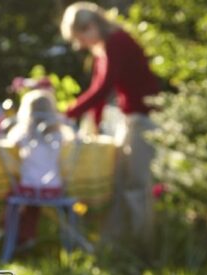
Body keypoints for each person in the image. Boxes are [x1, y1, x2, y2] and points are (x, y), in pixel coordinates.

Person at [61, 1, 160, 254]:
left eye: (80, 37)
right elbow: (100, 92)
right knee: (117, 181)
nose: (81, 44)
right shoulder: (103, 48)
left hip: (144, 119)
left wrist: (68, 113)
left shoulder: (117, 42)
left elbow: (103, 87)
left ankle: (143, 247)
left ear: (90, 26)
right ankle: (116, 244)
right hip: (128, 119)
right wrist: (92, 124)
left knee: (136, 185)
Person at [6, 89, 71, 244]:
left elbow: (9, 144)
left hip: (27, 189)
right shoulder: (60, 133)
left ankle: (14, 234)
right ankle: (28, 235)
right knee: (33, 197)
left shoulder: (22, 133)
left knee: (10, 195)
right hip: (53, 189)